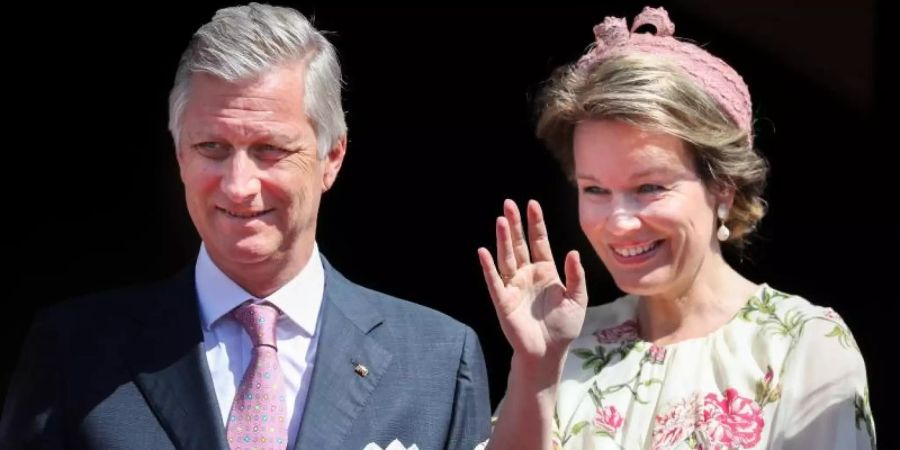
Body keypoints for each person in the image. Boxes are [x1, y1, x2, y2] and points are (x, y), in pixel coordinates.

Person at [0, 4, 491, 449]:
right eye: (211, 148)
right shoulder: (74, 350)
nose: (238, 186)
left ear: (332, 157)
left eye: (270, 150)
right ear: (179, 156)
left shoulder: (437, 362)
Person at [477, 6, 875, 450]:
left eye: (649, 186)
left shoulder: (803, 346)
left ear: (722, 187)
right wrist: (536, 369)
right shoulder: (567, 347)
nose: (619, 221)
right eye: (594, 190)